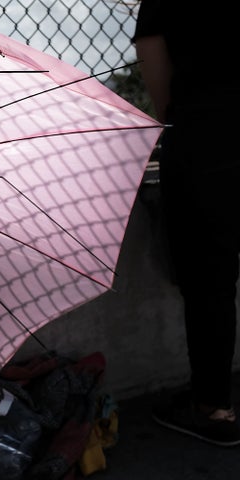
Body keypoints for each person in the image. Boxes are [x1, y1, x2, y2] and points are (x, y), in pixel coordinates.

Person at [133, 0, 240, 447]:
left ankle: (213, 407)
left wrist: (183, 119)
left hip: (208, 136)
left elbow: (160, 82)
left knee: (209, 278)